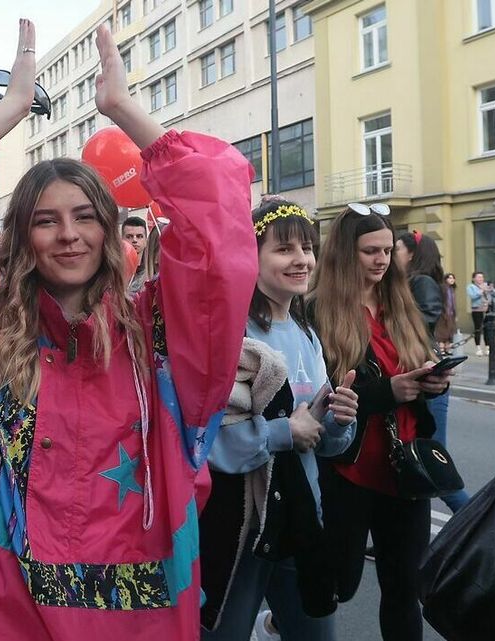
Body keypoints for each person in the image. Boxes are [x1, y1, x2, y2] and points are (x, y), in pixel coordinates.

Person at [0, 20, 258, 640]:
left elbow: (220, 233)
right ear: (23, 236)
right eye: (46, 220)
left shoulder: (163, 337)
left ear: (108, 228)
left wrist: (126, 110)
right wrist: (7, 113)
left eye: (84, 216)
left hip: (143, 619)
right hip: (3, 611)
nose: (69, 234)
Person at [199, 200, 358, 641]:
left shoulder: (308, 334)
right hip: (245, 529)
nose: (301, 259)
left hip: (304, 516)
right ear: (251, 257)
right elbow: (209, 443)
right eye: (284, 249)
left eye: (307, 248)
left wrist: (340, 419)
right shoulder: (234, 334)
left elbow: (326, 441)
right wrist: (285, 431)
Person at [308, 204, 452, 641]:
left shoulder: (399, 303)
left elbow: (415, 367)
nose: (382, 260)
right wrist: (390, 391)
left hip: (406, 471)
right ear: (344, 254)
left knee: (406, 591)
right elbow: (326, 398)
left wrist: (434, 382)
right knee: (339, 584)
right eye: (370, 250)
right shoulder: (319, 311)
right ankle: (277, 623)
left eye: (388, 250)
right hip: (350, 472)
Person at [394, 231, 470, 513]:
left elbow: (421, 324)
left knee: (434, 468)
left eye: (396, 248)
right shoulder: (406, 283)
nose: (391, 255)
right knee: (413, 467)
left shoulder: (421, 282)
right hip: (419, 379)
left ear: (412, 253)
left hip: (429, 384)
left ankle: (479, 531)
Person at [120, 215, 148, 293]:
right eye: (129, 236)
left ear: (146, 240)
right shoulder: (114, 267)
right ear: (122, 239)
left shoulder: (151, 270)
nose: (134, 240)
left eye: (139, 236)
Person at [467, 271, 491, 356]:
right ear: (474, 278)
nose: (481, 279)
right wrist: (481, 290)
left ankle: (487, 348)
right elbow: (472, 296)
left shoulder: (485, 285)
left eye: (482, 277)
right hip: (477, 310)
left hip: (487, 310)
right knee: (478, 329)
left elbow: (491, 296)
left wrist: (490, 290)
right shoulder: (471, 287)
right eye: (479, 277)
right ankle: (478, 348)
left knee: (487, 329)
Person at [437, 273, 458, 354]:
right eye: (449, 278)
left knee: (450, 332)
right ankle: (441, 349)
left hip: (451, 314)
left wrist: (455, 314)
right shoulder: (443, 288)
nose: (452, 280)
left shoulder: (452, 289)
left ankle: (447, 348)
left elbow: (453, 303)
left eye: (453, 278)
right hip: (443, 314)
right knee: (442, 332)